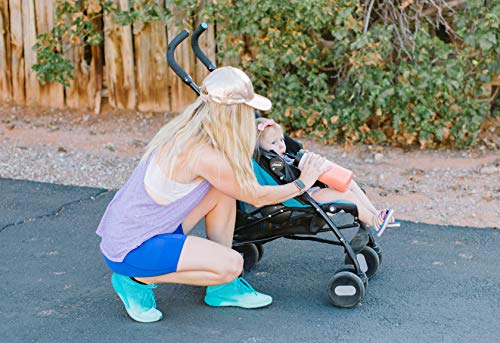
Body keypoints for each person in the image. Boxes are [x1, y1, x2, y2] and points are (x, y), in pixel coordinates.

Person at [96, 66, 331, 323]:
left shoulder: (191, 130)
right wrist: (303, 183)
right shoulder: (202, 153)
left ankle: (221, 289)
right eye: (247, 110)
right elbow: (255, 195)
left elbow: (234, 181)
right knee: (232, 266)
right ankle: (135, 279)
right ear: (232, 113)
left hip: (146, 228)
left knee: (222, 190)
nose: (251, 116)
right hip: (133, 246)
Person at [255, 117, 400, 236]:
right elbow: (288, 180)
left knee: (349, 183)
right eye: (274, 142)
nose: (281, 146)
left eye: (281, 140)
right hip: (300, 196)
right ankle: (372, 220)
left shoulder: (281, 156)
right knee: (346, 195)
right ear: (257, 145)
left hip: (308, 189)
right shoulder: (272, 163)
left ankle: (375, 212)